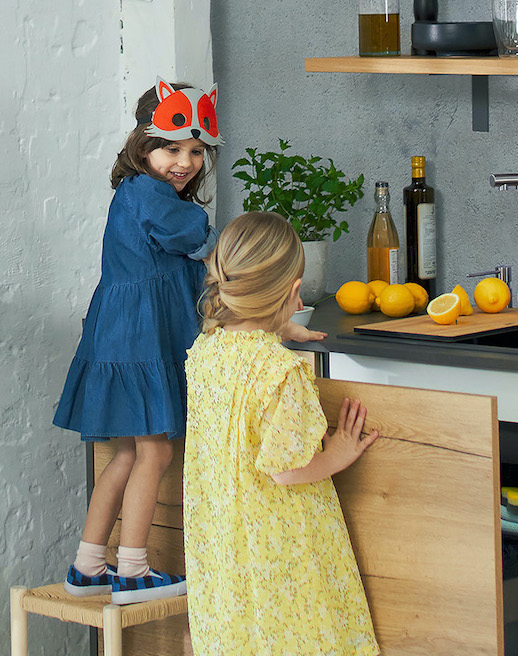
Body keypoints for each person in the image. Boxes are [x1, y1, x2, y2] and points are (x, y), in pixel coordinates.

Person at [53, 79, 323, 605]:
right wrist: (261, 280)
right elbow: (209, 251)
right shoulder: (153, 199)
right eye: (172, 149)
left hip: (124, 334)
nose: (186, 162)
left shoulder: (139, 194)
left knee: (127, 456)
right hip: (141, 339)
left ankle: (88, 564)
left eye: (197, 151)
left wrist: (274, 321)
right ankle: (131, 569)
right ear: (143, 146)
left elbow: (199, 283)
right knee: (154, 451)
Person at [183, 211, 381, 655]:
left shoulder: (205, 351)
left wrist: (274, 325)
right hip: (278, 545)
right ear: (295, 294)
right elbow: (287, 471)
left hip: (223, 544)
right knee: (299, 634)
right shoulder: (279, 372)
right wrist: (341, 452)